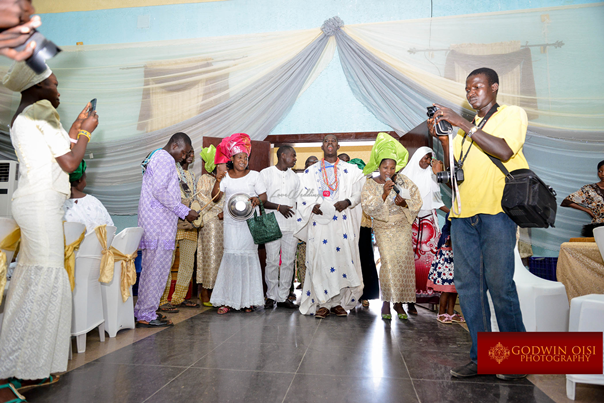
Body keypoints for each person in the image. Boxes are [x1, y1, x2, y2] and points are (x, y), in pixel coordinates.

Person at [0, 61, 98, 402]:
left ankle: (16, 364)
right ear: (36, 87)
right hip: (41, 203)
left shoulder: (25, 114)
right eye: (53, 85)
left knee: (29, 280)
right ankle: (28, 368)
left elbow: (56, 152)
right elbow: (70, 165)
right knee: (47, 278)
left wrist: (73, 128)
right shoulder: (42, 109)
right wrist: (88, 132)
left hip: (30, 200)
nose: (58, 90)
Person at [430, 67, 527, 380]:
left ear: (494, 88)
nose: (472, 93)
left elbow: (504, 150)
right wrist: (443, 140)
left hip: (496, 213)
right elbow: (455, 176)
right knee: (470, 290)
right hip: (461, 216)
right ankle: (483, 358)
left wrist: (461, 124)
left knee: (500, 287)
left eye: (477, 87)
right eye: (468, 89)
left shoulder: (511, 114)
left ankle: (515, 361)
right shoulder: (462, 133)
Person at [296, 134, 364, 318]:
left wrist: (348, 201)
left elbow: (359, 193)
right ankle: (322, 303)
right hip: (319, 225)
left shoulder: (351, 170)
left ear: (338, 145)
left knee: (342, 261)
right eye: (326, 141)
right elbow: (304, 195)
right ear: (322, 146)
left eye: (333, 141)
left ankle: (338, 304)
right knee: (320, 261)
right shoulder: (310, 172)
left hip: (342, 223)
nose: (330, 143)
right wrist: (313, 206)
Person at [134, 133, 199, 328]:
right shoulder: (164, 158)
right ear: (174, 145)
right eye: (183, 152)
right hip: (159, 225)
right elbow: (160, 191)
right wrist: (185, 211)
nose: (184, 156)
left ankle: (144, 311)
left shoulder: (157, 156)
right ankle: (146, 314)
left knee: (151, 270)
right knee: (156, 271)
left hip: (156, 223)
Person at [361, 132, 422, 320]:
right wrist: (384, 195)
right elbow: (367, 206)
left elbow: (416, 201)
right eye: (385, 167)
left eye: (392, 167)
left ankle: (399, 303)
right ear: (378, 166)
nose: (388, 171)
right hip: (383, 227)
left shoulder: (404, 181)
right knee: (387, 262)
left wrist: (404, 204)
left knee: (403, 263)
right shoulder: (371, 184)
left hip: (402, 227)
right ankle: (386, 303)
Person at [210, 133, 267, 314]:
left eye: (245, 157)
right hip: (231, 225)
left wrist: (257, 199)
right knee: (232, 258)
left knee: (248, 258)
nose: (243, 160)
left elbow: (264, 196)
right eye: (239, 157)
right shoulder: (226, 177)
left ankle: (248, 300)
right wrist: (218, 179)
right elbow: (215, 198)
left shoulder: (255, 176)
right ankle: (227, 300)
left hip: (249, 225)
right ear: (232, 159)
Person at [401, 147, 449, 314]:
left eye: (429, 159)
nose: (427, 161)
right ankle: (410, 301)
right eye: (424, 158)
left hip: (429, 222)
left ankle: (432, 298)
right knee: (410, 264)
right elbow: (400, 203)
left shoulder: (432, 176)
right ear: (417, 158)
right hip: (411, 224)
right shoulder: (405, 177)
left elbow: (436, 201)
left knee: (431, 262)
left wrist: (453, 212)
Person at [158, 148, 200, 312]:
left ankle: (178, 298)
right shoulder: (171, 171)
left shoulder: (193, 176)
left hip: (190, 224)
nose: (190, 156)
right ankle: (162, 300)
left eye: (192, 154)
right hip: (173, 222)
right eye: (187, 153)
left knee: (188, 263)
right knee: (167, 263)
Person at [260, 146, 300, 310]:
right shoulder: (266, 173)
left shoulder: (295, 177)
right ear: (283, 155)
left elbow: (299, 201)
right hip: (271, 222)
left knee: (289, 262)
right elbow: (260, 199)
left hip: (291, 225)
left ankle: (283, 297)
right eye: (293, 155)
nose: (295, 158)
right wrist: (278, 207)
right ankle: (271, 296)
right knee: (272, 261)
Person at [196, 145, 227, 307]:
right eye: (223, 163)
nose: (226, 165)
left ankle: (219, 291)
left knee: (222, 257)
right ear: (215, 165)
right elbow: (202, 199)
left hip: (226, 223)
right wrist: (217, 212)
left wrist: (225, 212)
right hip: (210, 222)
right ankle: (205, 291)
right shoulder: (204, 179)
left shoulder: (229, 179)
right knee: (210, 256)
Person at [349, 158, 380, 308]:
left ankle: (365, 295)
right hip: (347, 226)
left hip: (363, 226)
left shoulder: (369, 183)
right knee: (348, 260)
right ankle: (348, 295)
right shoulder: (344, 182)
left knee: (364, 259)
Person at [426, 214, 465, 324]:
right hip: (447, 263)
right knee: (446, 289)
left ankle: (451, 312)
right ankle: (441, 312)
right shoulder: (447, 237)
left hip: (455, 261)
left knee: (454, 289)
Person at [63, 160, 114, 234]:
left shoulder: (56, 205)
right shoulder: (93, 202)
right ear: (80, 179)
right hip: (99, 245)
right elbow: (110, 230)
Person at [294, 156, 319, 291]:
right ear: (304, 167)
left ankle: (318, 290)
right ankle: (305, 289)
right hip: (302, 226)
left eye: (315, 165)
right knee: (303, 260)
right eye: (309, 165)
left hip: (319, 228)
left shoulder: (324, 183)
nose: (311, 168)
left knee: (318, 261)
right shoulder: (299, 182)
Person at [561, 160, 604, 237]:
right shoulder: (589, 189)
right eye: (600, 171)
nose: (603, 174)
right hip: (598, 227)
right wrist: (588, 210)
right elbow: (566, 201)